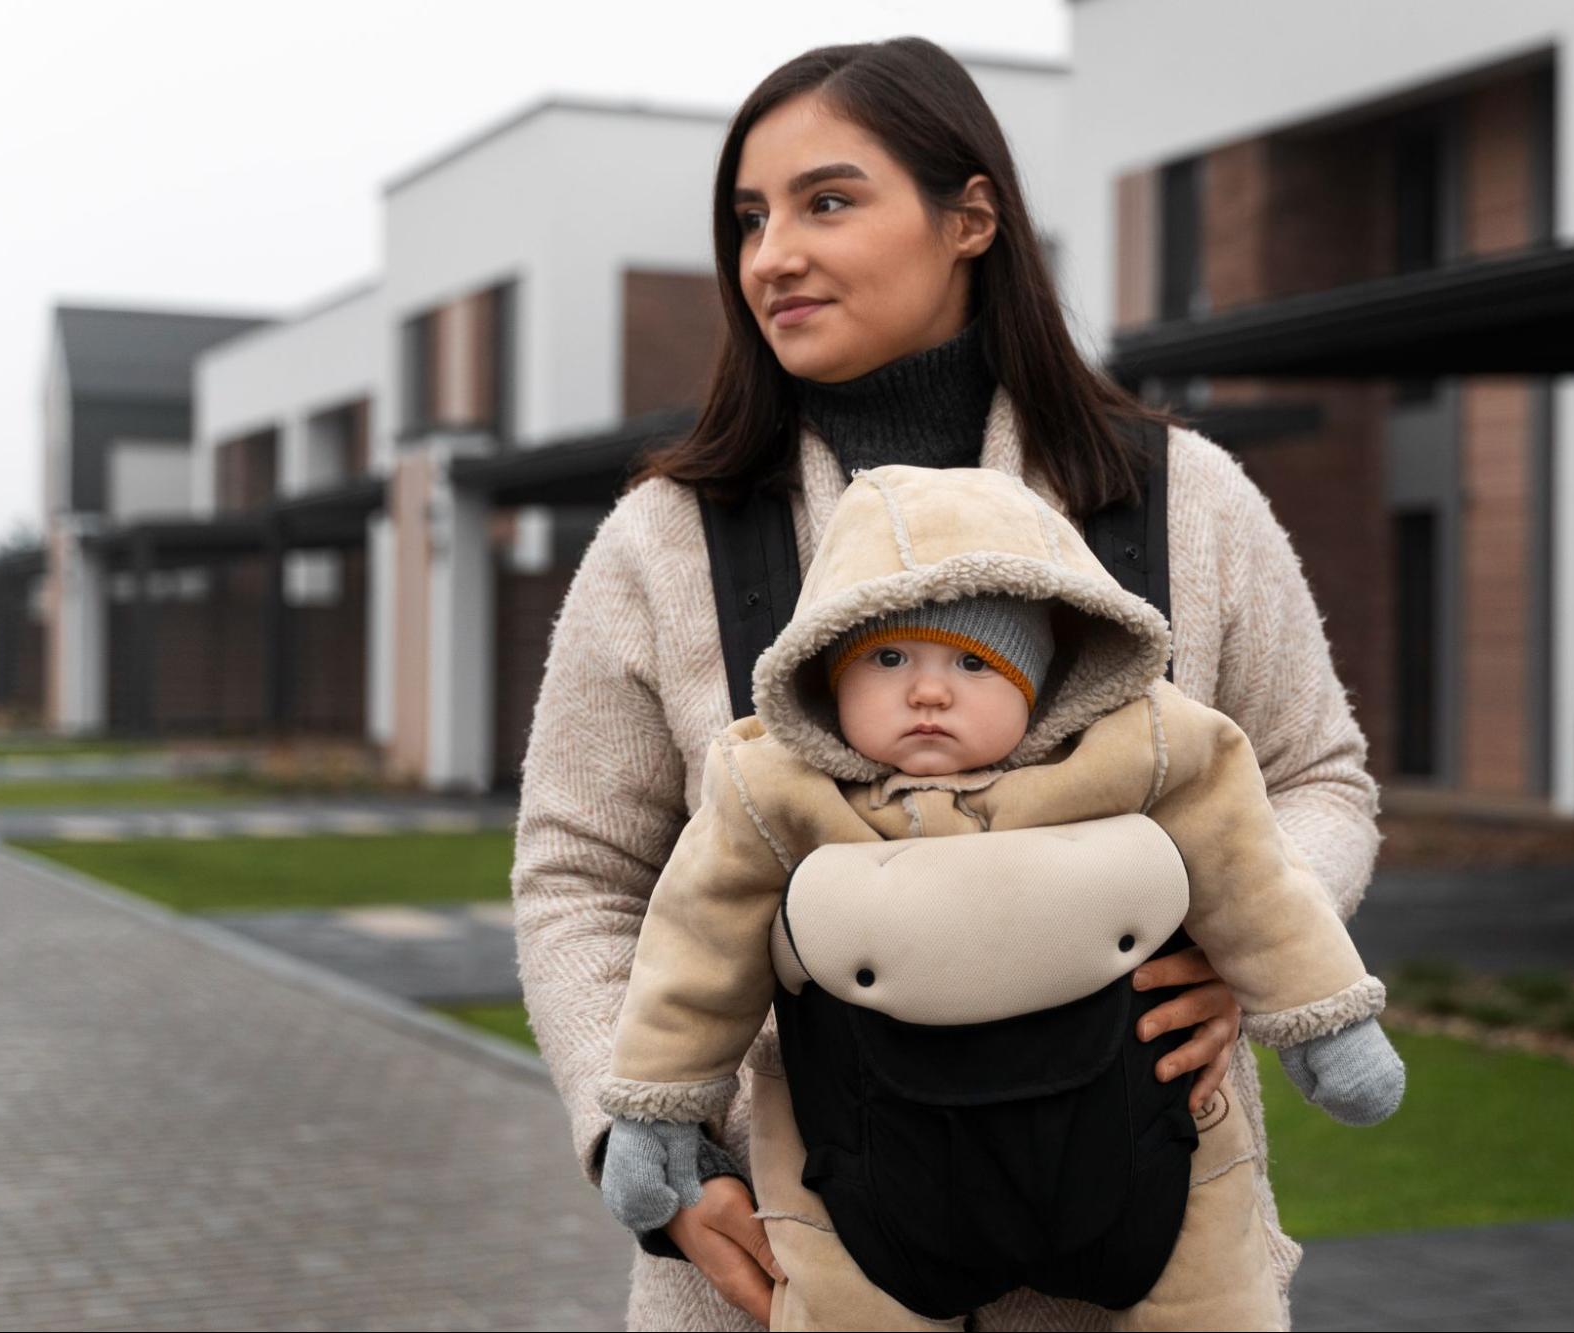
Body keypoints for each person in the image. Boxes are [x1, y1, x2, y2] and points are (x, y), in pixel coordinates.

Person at [511, 35, 1382, 1331]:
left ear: (970, 215)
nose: (771, 255)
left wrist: (1245, 940)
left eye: (826, 200)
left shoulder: (1174, 497)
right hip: (774, 1279)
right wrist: (661, 1162)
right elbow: (580, 876)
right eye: (747, 218)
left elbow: (1314, 775)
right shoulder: (667, 538)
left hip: (1136, 1268)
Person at [593, 462, 1405, 1329]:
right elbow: (693, 948)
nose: (928, 690)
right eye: (888, 657)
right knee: (846, 1301)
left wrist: (1318, 1012)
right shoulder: (772, 787)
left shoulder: (1143, 750)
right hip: (861, 1167)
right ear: (824, 668)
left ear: (1043, 681)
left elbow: (1253, 873)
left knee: (1207, 1288)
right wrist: (655, 1110)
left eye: (974, 661)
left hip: (1141, 1139)